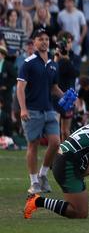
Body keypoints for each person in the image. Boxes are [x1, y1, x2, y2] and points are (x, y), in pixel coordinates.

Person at [16, 29, 65, 194]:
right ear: (34, 43)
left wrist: (67, 96)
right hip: (32, 111)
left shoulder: (53, 64)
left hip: (49, 110)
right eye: (40, 39)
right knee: (33, 146)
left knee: (56, 142)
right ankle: (34, 182)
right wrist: (23, 108)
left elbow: (54, 87)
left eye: (46, 39)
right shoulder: (28, 63)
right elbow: (20, 88)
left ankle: (43, 175)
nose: (44, 42)